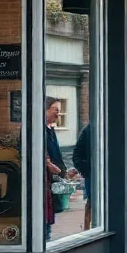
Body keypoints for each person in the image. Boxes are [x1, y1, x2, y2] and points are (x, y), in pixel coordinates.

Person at [43, 97, 77, 241]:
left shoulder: (50, 129)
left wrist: (65, 172)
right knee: (43, 222)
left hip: (52, 182)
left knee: (48, 221)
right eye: (55, 110)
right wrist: (49, 165)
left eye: (59, 111)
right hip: (43, 182)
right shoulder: (39, 130)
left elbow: (55, 156)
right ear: (44, 110)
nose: (58, 114)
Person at [72, 123, 92, 230]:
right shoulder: (89, 130)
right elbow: (77, 155)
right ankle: (87, 231)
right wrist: (88, 169)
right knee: (91, 203)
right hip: (93, 177)